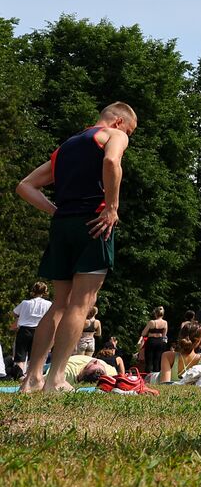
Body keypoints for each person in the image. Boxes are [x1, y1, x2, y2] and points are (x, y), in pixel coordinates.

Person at [14, 102, 136, 393]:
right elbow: (111, 163)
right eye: (130, 131)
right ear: (119, 121)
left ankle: (31, 378)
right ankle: (56, 379)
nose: (129, 138)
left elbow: (25, 186)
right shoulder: (113, 135)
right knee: (81, 303)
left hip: (63, 225)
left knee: (59, 303)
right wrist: (112, 208)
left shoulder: (65, 148)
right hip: (94, 223)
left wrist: (56, 211)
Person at [10, 281, 52, 381]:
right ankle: (32, 376)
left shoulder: (25, 303)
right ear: (45, 291)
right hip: (39, 330)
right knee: (35, 356)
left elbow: (14, 313)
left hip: (24, 330)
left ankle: (19, 376)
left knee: (20, 355)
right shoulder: (48, 304)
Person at [138, 306, 169, 377]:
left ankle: (147, 376)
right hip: (160, 342)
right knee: (157, 360)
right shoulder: (165, 323)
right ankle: (156, 377)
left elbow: (143, 333)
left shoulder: (152, 322)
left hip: (151, 341)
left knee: (149, 360)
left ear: (155, 314)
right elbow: (164, 334)